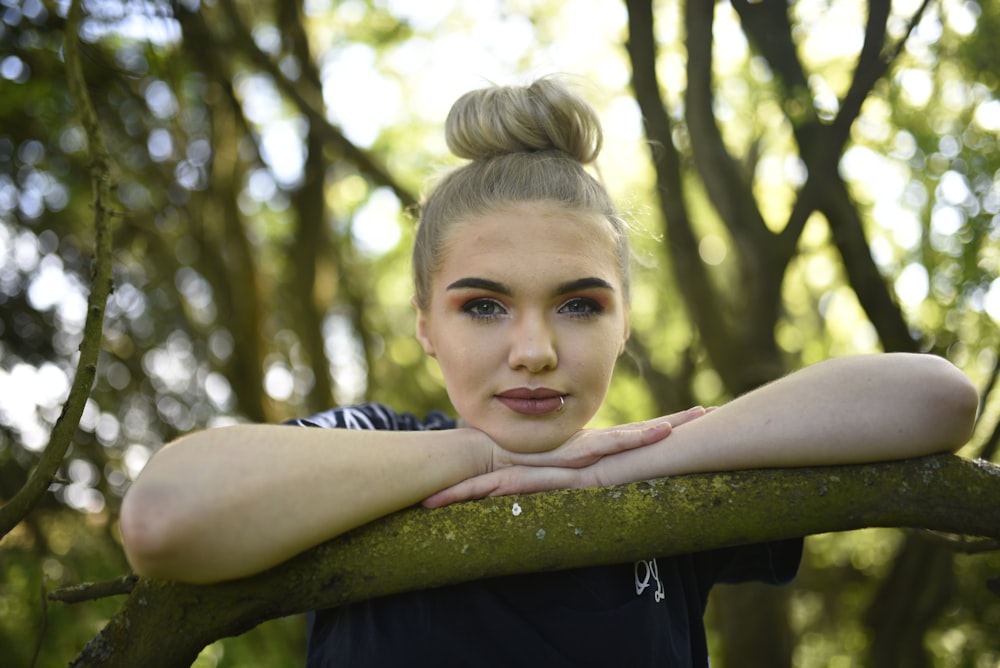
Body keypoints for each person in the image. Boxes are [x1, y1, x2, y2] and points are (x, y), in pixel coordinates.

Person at [120, 77, 979, 667]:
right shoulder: (368, 451)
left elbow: (936, 398)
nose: (534, 349)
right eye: (484, 306)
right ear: (425, 324)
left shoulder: (674, 482)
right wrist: (485, 459)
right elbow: (164, 519)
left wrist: (615, 465)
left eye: (578, 305)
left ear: (623, 323)